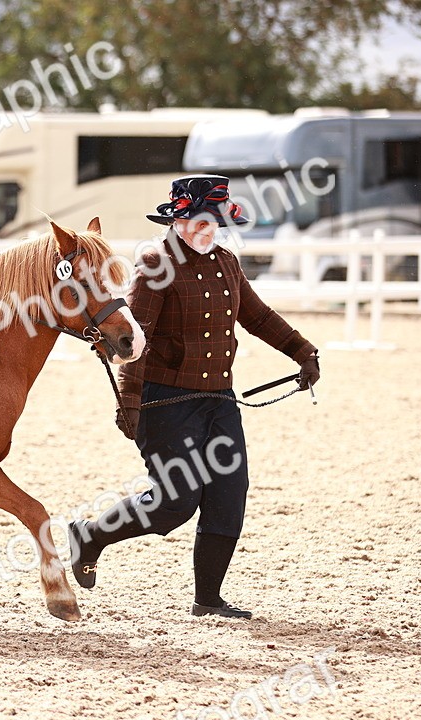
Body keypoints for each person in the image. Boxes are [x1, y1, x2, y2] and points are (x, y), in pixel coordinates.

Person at [66, 175, 321, 618]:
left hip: (219, 401)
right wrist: (129, 400)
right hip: (166, 401)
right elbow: (136, 339)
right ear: (178, 220)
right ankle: (91, 535)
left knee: (228, 494)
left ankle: (208, 599)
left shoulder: (227, 263)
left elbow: (258, 317)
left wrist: (302, 351)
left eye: (215, 223)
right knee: (175, 503)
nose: (208, 231)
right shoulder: (155, 263)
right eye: (200, 222)